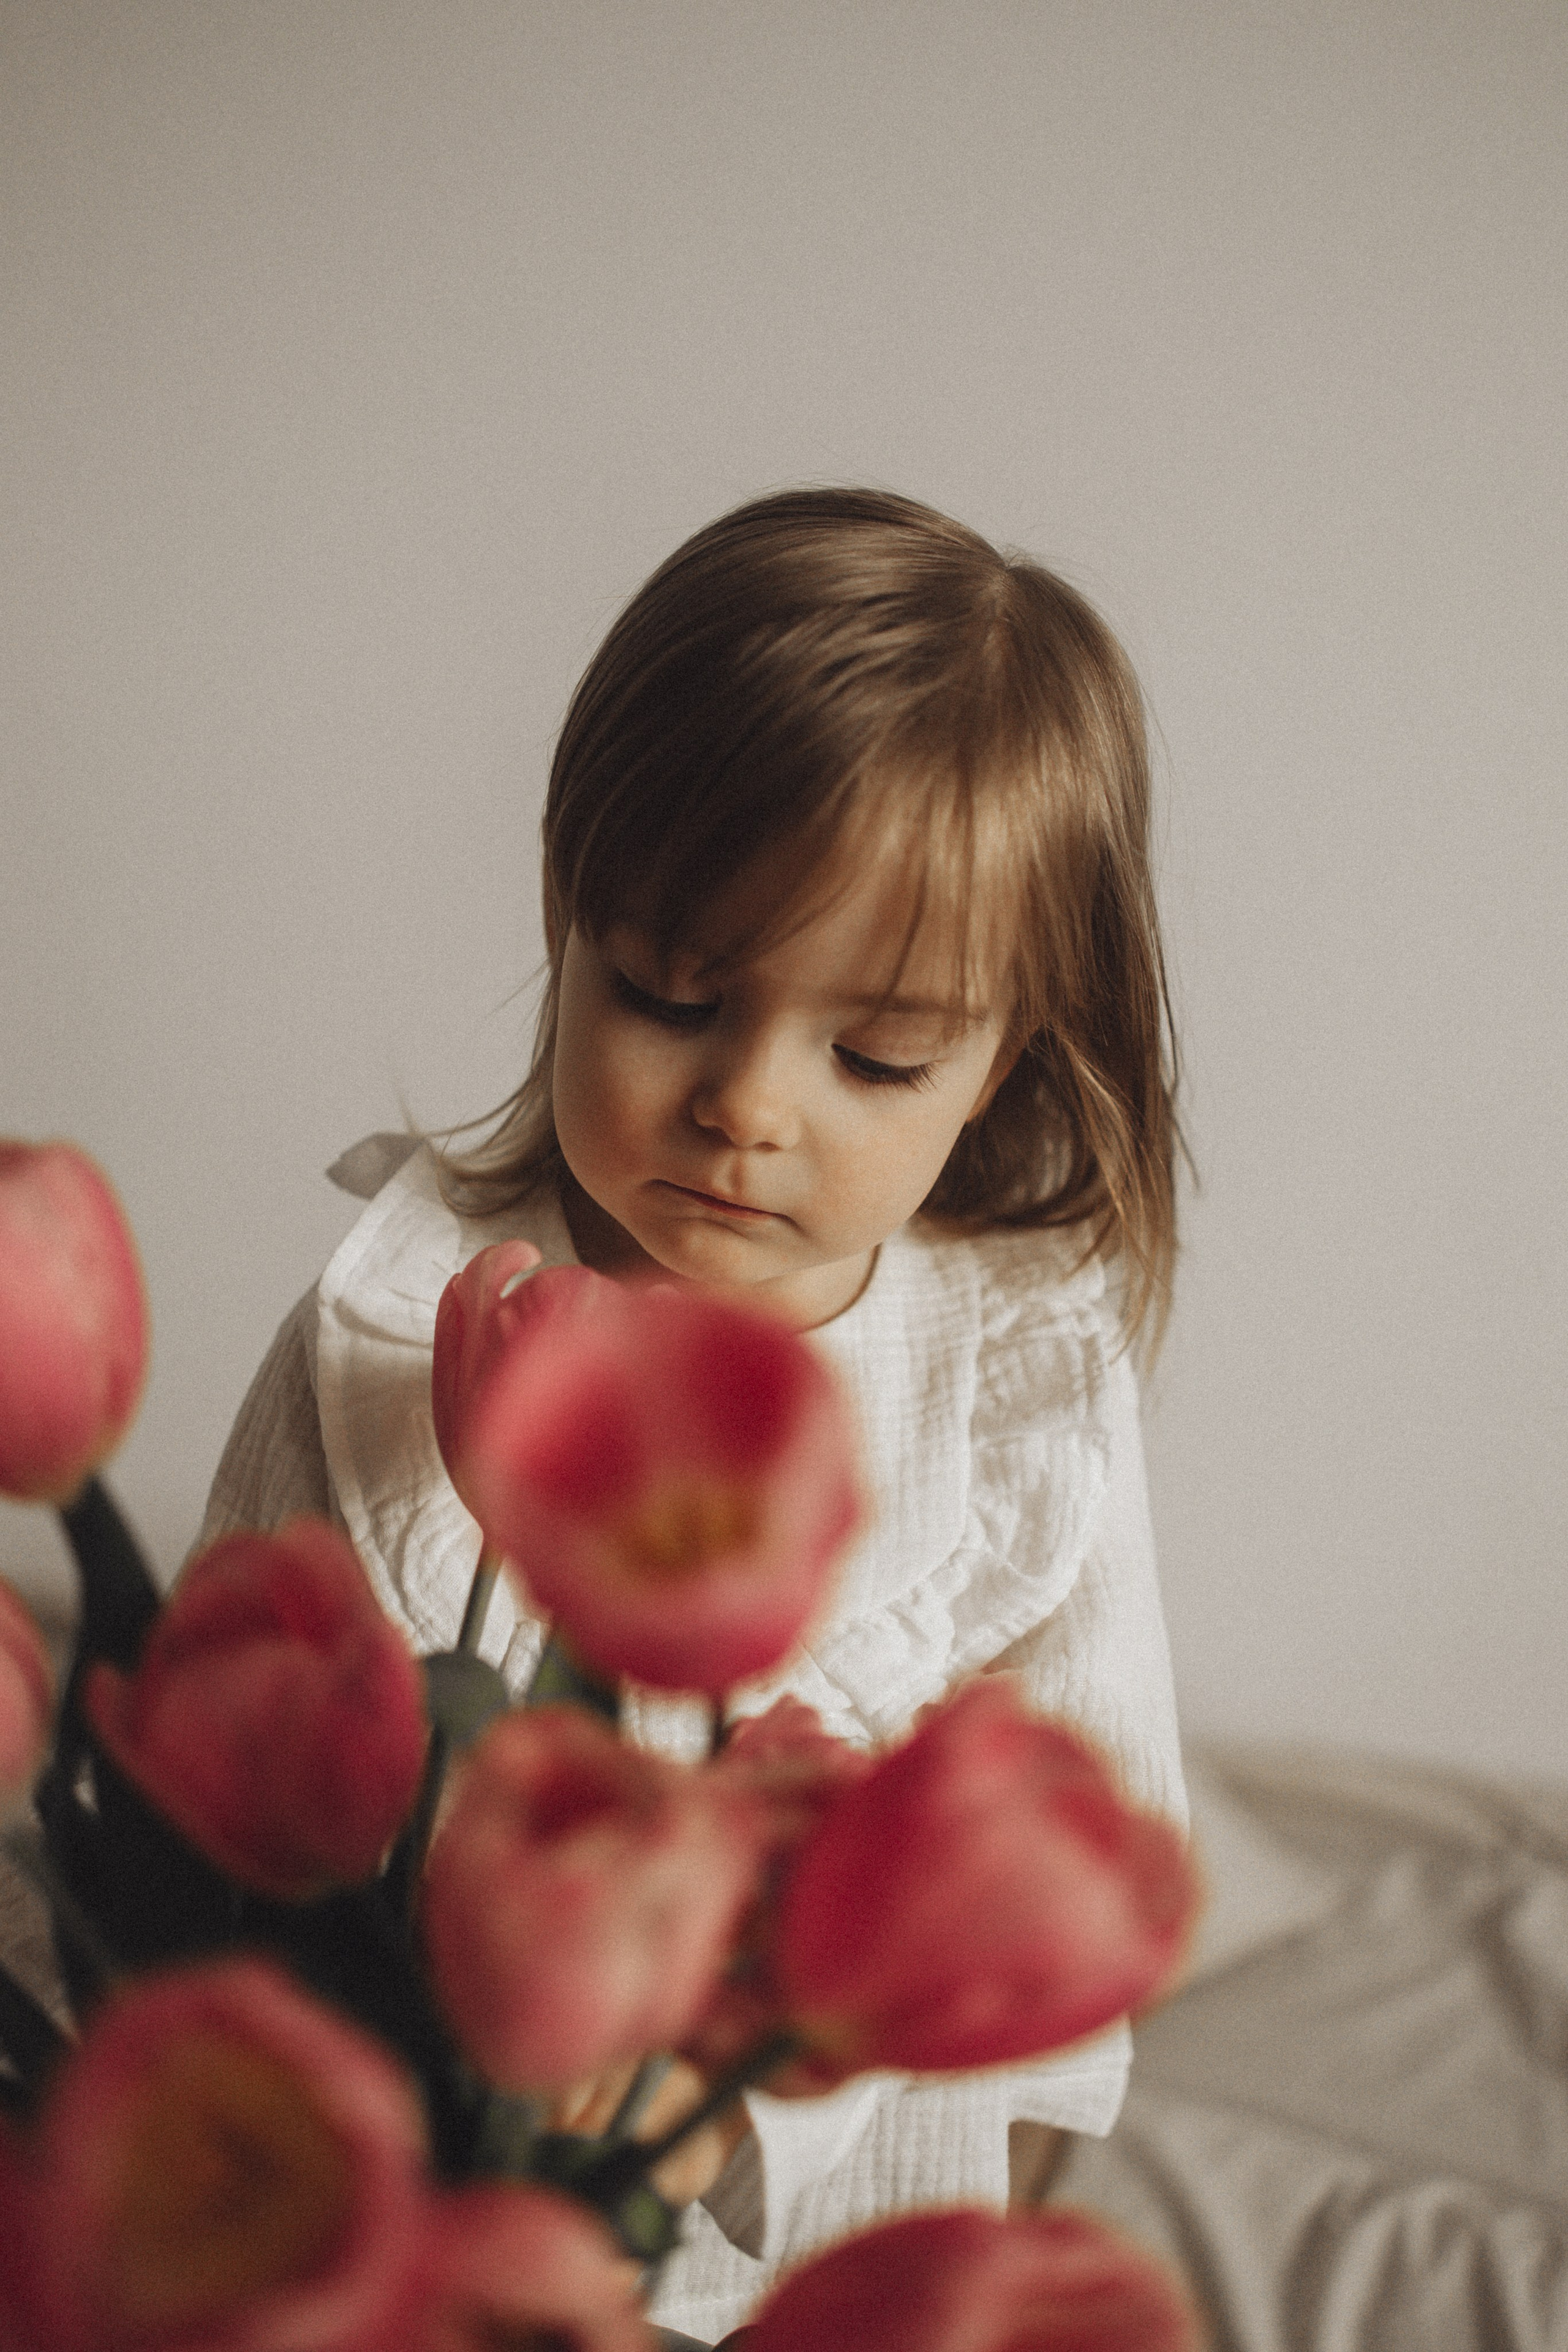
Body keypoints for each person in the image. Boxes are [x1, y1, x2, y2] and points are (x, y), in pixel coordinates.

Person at [198, 487, 1189, 2346]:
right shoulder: (389, 1332)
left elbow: (1081, 1876)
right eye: (667, 991)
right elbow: (214, 1786)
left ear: (1003, 1061)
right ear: (568, 912)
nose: (747, 1103)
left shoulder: (1023, 1403)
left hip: (821, 2255)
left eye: (876, 1055)